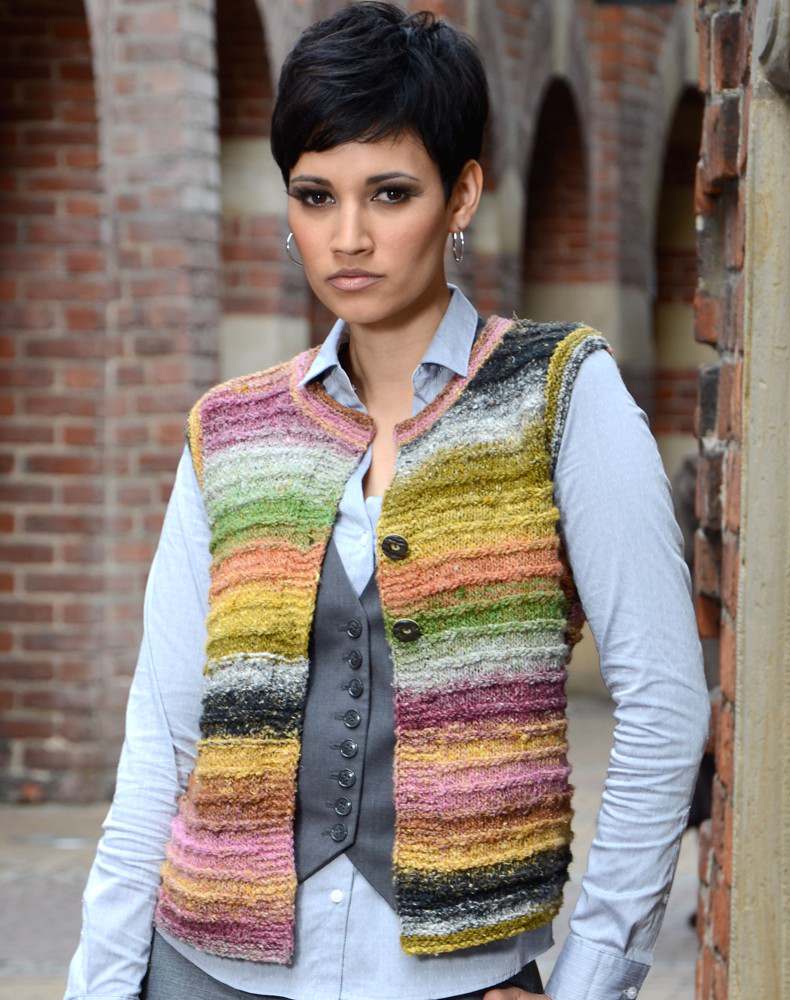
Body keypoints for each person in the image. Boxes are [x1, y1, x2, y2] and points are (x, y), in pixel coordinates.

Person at [63, 4, 711, 1000]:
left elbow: (665, 705)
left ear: (462, 195)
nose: (349, 237)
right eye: (315, 196)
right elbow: (160, 740)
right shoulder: (229, 430)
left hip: (453, 978)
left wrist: (591, 979)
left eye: (390, 193)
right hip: (200, 969)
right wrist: (102, 984)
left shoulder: (558, 396)